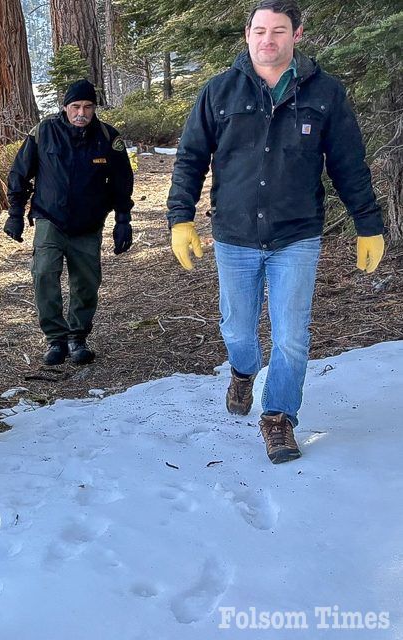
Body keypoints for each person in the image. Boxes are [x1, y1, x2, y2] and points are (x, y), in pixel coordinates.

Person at [166, 0, 386, 463]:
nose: (269, 40)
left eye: (279, 31)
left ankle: (278, 418)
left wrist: (369, 224)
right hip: (235, 235)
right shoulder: (220, 92)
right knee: (238, 329)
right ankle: (243, 372)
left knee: (290, 335)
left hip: (296, 235)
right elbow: (190, 158)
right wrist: (180, 218)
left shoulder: (324, 93)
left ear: (297, 35)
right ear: (247, 35)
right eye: (260, 30)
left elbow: (349, 165)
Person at [4, 79, 135, 366]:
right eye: (75, 106)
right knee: (44, 274)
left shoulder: (108, 137)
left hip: (89, 224)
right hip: (50, 218)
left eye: (88, 107)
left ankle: (78, 337)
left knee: (86, 283)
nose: (81, 113)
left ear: (94, 108)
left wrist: (123, 220)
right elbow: (20, 173)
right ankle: (56, 339)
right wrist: (15, 214)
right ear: (64, 107)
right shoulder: (44, 132)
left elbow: (122, 182)